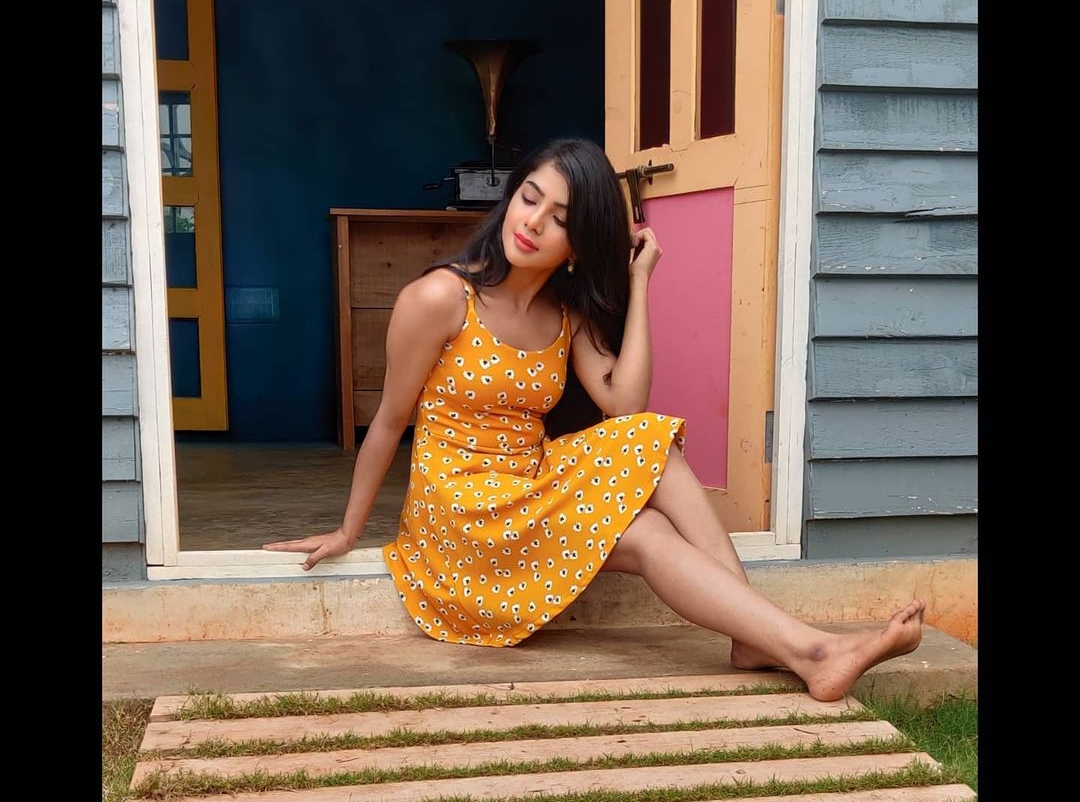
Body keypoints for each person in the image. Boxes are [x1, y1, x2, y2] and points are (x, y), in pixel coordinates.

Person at [265, 137, 924, 702]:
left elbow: (623, 405)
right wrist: (350, 529)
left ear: (578, 246)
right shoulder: (440, 297)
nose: (532, 222)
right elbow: (388, 421)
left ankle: (764, 640)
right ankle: (801, 648)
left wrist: (640, 284)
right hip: (462, 514)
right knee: (648, 531)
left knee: (649, 440)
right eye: (529, 198)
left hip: (526, 483)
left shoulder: (564, 316)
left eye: (559, 219)